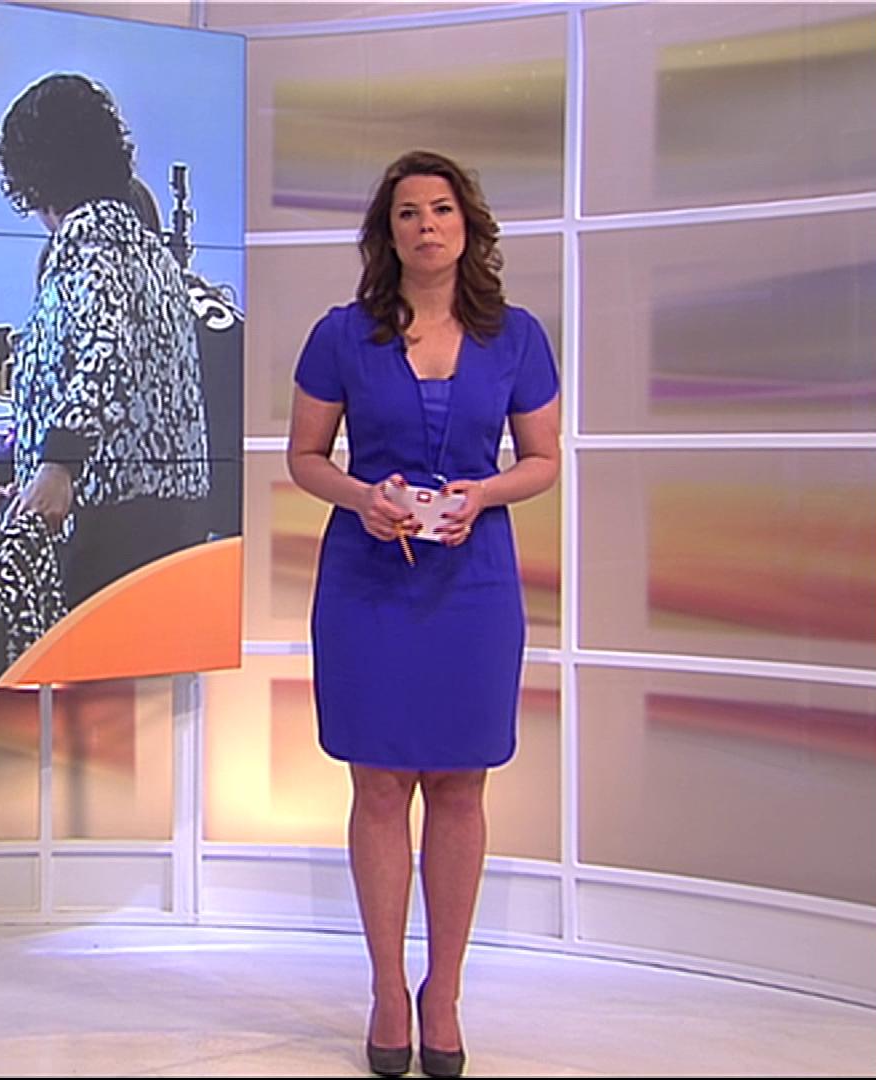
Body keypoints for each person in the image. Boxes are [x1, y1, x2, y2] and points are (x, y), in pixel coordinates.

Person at [285, 150, 560, 1078]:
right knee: (377, 786)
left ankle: (443, 992)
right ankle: (386, 990)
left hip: (473, 584)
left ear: (467, 226)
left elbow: (543, 459)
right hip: (369, 580)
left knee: (459, 785)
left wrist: (484, 493)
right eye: (408, 212)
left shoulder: (516, 336)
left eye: (441, 209)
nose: (427, 225)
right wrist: (362, 497)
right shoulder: (341, 335)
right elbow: (305, 457)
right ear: (388, 232)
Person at [0, 73, 211, 609]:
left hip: (114, 524)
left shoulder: (88, 242)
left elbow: (107, 356)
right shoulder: (144, 246)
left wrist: (58, 467)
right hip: (162, 518)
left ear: (33, 173)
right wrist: (6, 464)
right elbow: (70, 381)